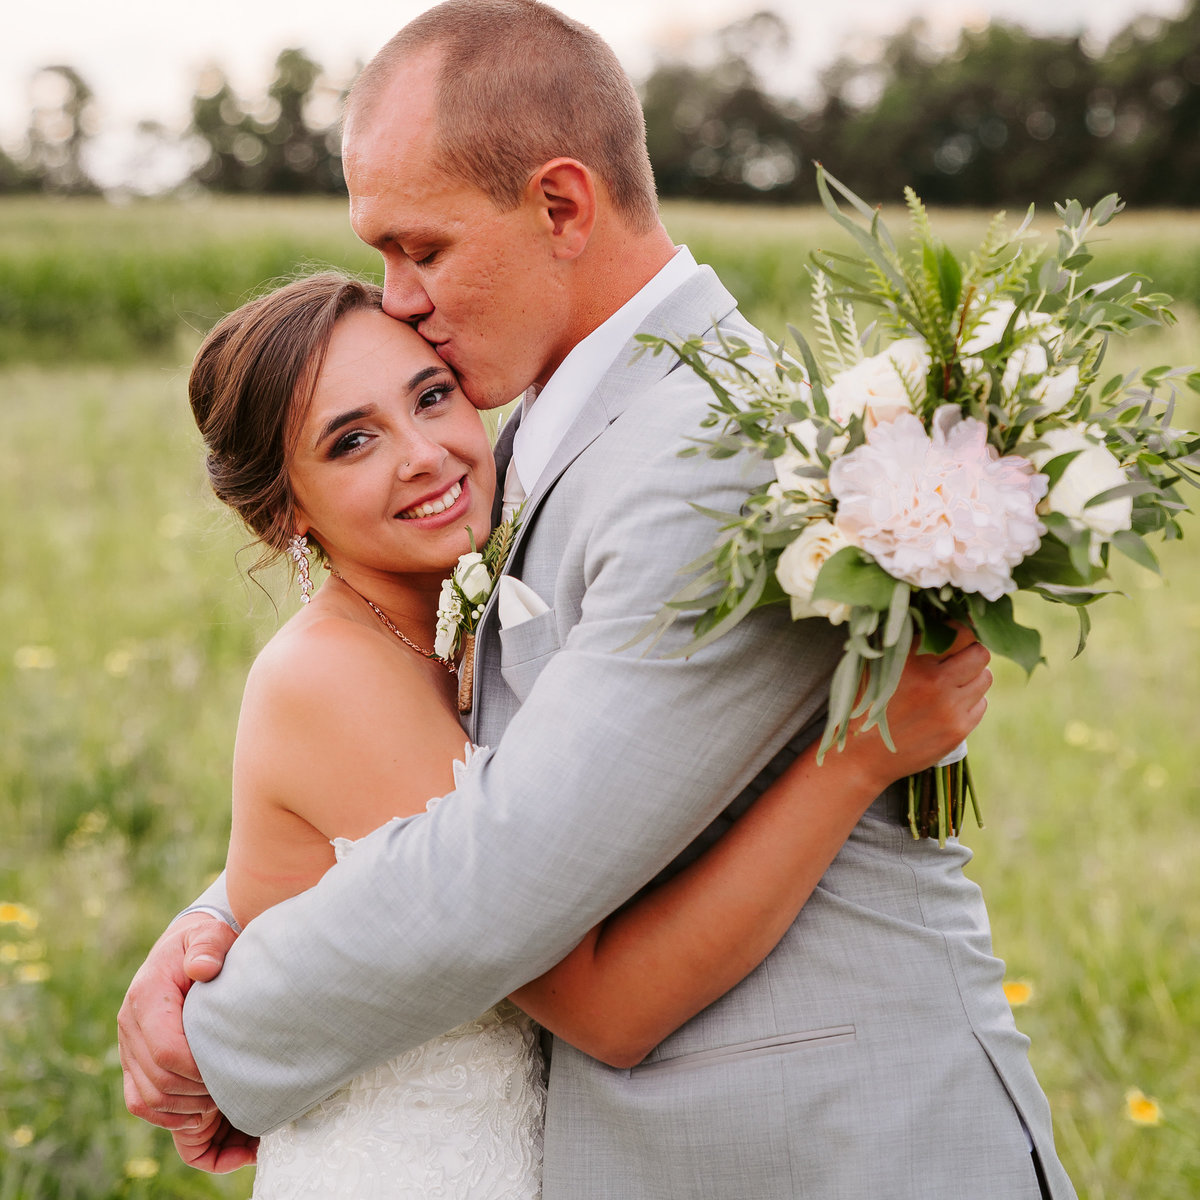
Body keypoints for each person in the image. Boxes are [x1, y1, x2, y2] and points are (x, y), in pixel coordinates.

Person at [119, 3, 1077, 1197]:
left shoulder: (707, 453)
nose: (398, 297)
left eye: (422, 248)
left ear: (562, 207)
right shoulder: (557, 423)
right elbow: (458, 774)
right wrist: (217, 920)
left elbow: (504, 874)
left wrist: (215, 1039)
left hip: (842, 1146)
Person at [175, 268, 990, 1195]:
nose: (425, 454)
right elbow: (604, 1005)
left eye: (432, 397)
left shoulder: (460, 605)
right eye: (353, 441)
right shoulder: (330, 678)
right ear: (285, 510)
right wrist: (857, 759)